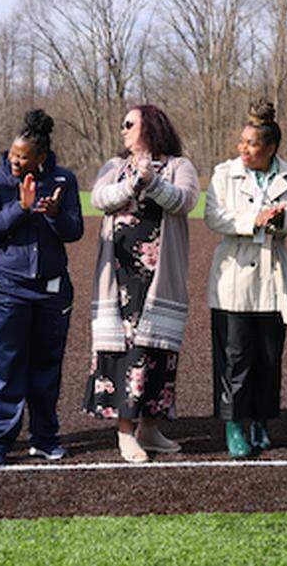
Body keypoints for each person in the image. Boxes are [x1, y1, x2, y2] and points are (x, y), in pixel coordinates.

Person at [83, 105, 199, 463]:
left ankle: (150, 428)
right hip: (119, 276)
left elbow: (184, 202)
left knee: (157, 349)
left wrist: (155, 181)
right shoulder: (114, 167)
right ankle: (124, 432)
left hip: (160, 276)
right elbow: (100, 199)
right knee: (125, 350)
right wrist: (135, 182)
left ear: (150, 126)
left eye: (129, 124)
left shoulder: (180, 166)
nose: (123, 130)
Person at [204, 100, 287, 457]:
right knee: (235, 357)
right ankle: (234, 424)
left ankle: (261, 421)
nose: (243, 148)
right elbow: (213, 216)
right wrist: (253, 219)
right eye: (242, 142)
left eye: (251, 144)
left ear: (270, 148)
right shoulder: (224, 174)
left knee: (269, 356)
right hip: (234, 276)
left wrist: (284, 221)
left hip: (273, 277)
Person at [0, 110, 84, 469]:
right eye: (13, 154)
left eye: (24, 156)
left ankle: (44, 438)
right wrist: (20, 208)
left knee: (46, 369)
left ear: (41, 157)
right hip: (7, 289)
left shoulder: (64, 180)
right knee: (5, 368)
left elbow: (74, 231)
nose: (16, 161)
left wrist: (54, 213)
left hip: (52, 292)